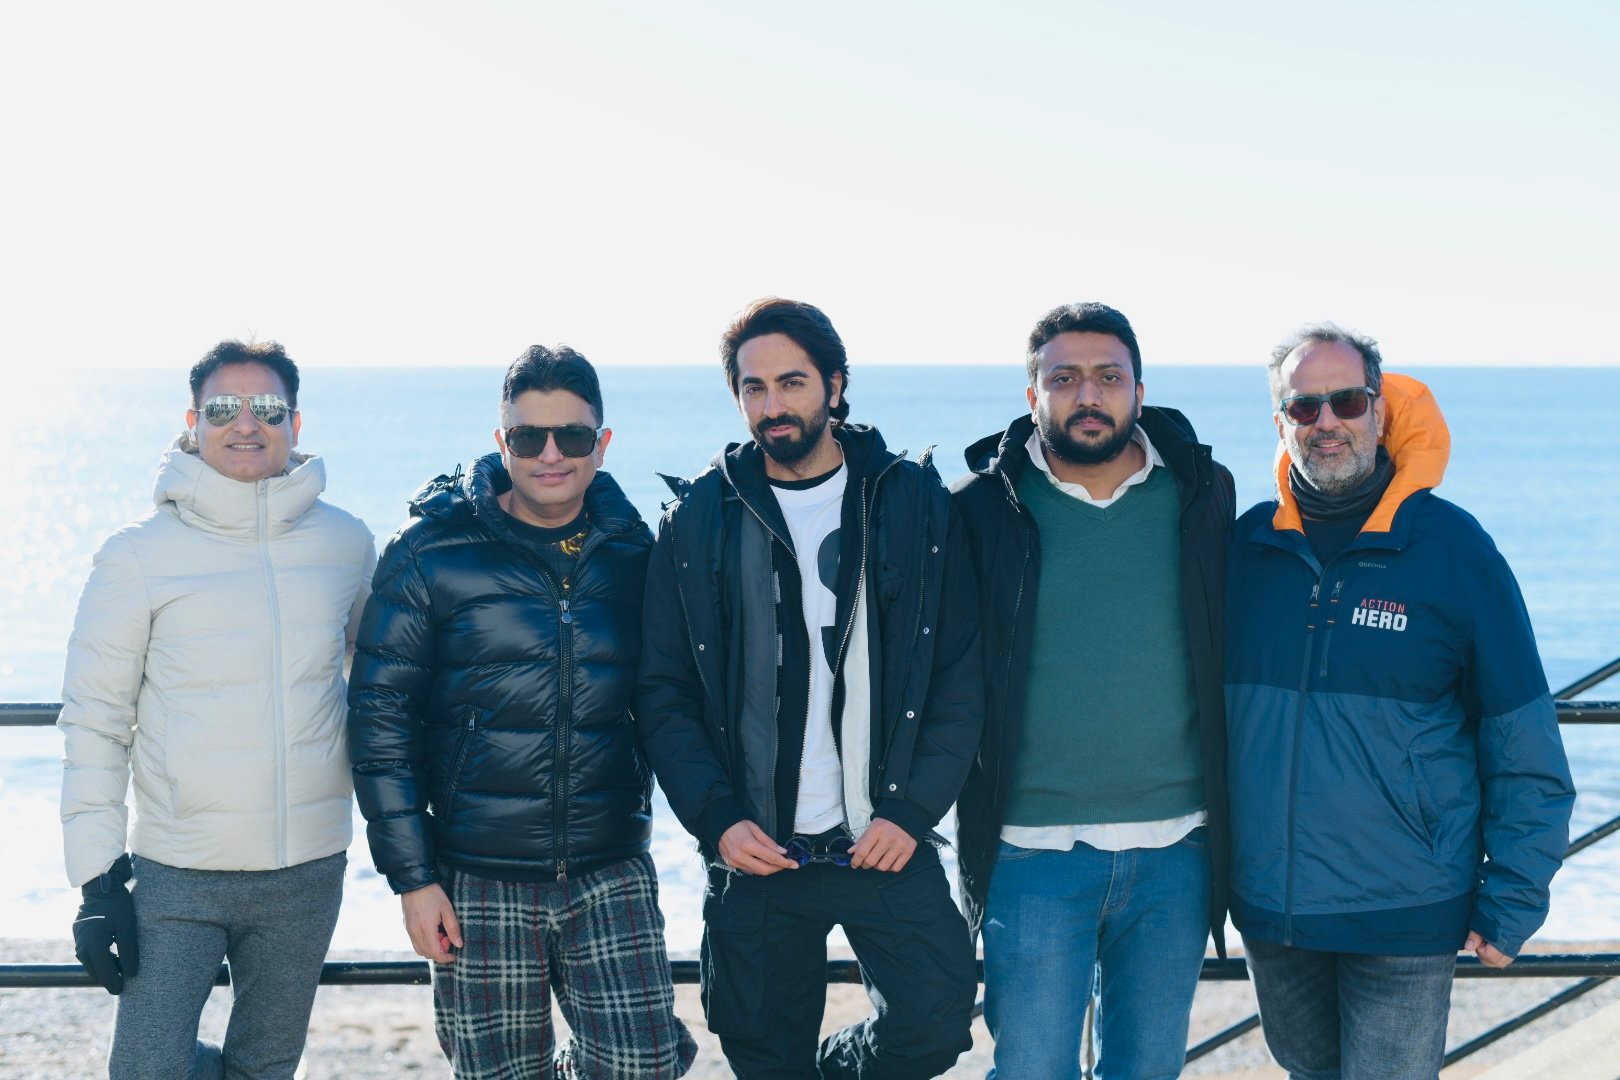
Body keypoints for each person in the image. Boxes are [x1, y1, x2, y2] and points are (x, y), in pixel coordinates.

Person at [636, 297, 983, 1079]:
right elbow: (664, 690)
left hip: (881, 835)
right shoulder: (699, 517)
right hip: (758, 848)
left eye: (791, 383)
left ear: (834, 384)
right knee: (760, 1052)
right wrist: (717, 820)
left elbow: (957, 674)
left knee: (935, 1023)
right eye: (753, 388)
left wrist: (912, 810)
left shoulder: (908, 500)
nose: (773, 406)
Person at [1226, 325, 1576, 1077]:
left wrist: (1514, 896)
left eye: (1347, 402)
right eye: (1304, 406)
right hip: (1273, 910)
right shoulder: (1245, 549)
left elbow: (1522, 736)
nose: (1326, 422)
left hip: (1406, 911)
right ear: (1281, 421)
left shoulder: (1453, 550)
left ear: (1380, 410)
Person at [347, 345, 694, 1079]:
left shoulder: (636, 551)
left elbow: (673, 697)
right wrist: (413, 880)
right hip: (478, 874)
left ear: (602, 443)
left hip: (611, 864)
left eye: (572, 435)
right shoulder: (430, 552)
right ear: (501, 440)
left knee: (646, 1065)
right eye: (529, 436)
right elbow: (381, 722)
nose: (550, 454)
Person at [58, 341, 376, 1079]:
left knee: (265, 1069)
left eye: (267, 409)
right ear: (193, 421)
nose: (246, 424)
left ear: (295, 422)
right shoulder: (136, 556)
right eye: (224, 408)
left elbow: (383, 685)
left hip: (307, 871)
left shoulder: (347, 543)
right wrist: (98, 881)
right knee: (146, 1068)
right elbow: (95, 721)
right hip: (177, 872)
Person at [951, 302, 1235, 1078]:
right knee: (1031, 1070)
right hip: (1031, 851)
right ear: (1032, 393)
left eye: (1109, 377)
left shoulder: (1203, 491)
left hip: (1178, 850)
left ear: (1139, 391)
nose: (1087, 395)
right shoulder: (981, 507)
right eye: (1064, 378)